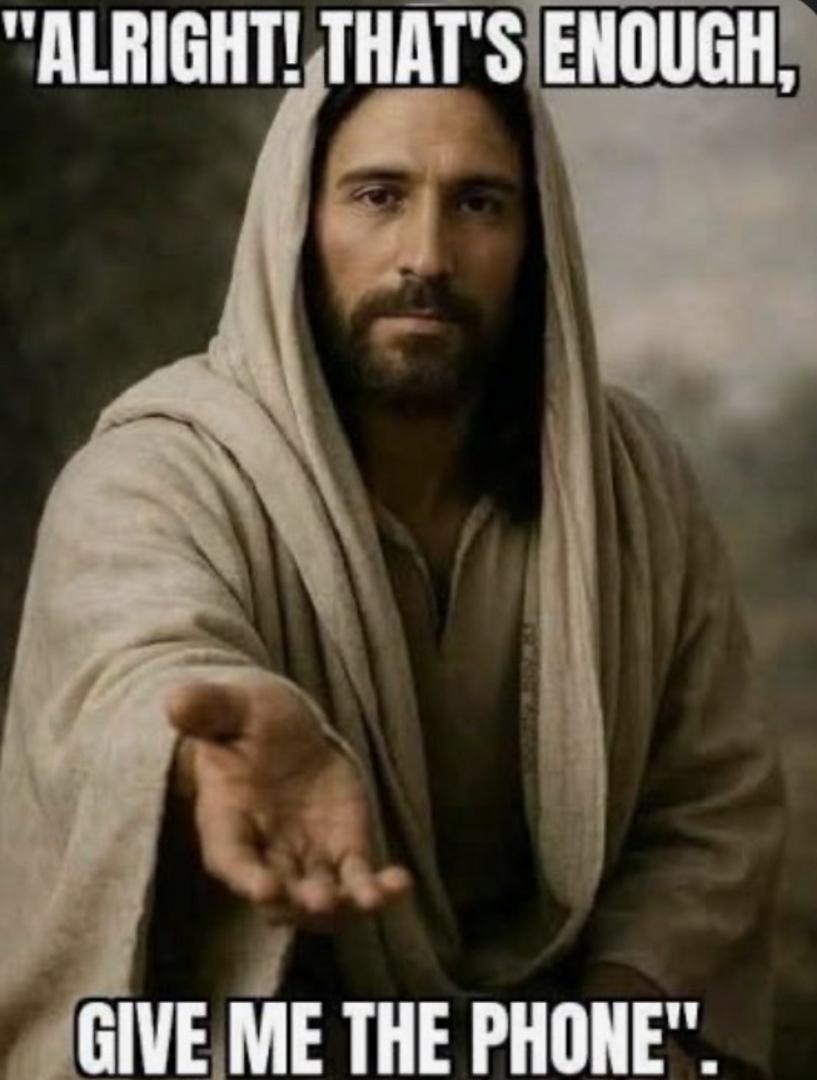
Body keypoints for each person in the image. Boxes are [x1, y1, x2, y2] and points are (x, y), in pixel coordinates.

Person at [0, 47, 783, 1080]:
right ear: (297, 219)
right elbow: (137, 652)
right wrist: (205, 744)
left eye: (479, 204)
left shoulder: (634, 487)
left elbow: (706, 804)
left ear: (537, 238)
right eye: (378, 195)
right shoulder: (156, 471)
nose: (426, 254)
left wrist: (616, 1026)